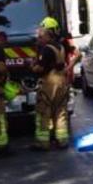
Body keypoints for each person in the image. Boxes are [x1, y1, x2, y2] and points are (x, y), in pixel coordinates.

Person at [31, 20, 70, 150]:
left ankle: (43, 143)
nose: (39, 38)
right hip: (62, 82)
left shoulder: (47, 49)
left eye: (41, 36)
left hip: (49, 83)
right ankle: (62, 140)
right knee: (60, 112)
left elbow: (40, 69)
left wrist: (32, 66)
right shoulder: (60, 47)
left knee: (44, 112)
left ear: (48, 34)